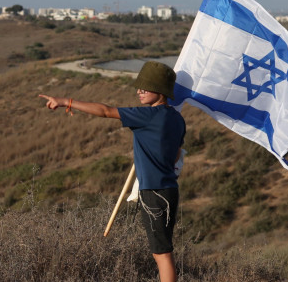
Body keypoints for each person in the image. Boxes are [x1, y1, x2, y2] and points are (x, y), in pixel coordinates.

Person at [38, 61, 185, 282]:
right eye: (139, 87)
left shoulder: (148, 116)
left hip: (153, 192)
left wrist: (66, 102)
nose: (139, 91)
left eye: (145, 87)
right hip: (168, 190)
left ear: (161, 90)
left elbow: (105, 111)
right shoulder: (177, 118)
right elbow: (176, 154)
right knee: (162, 250)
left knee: (162, 254)